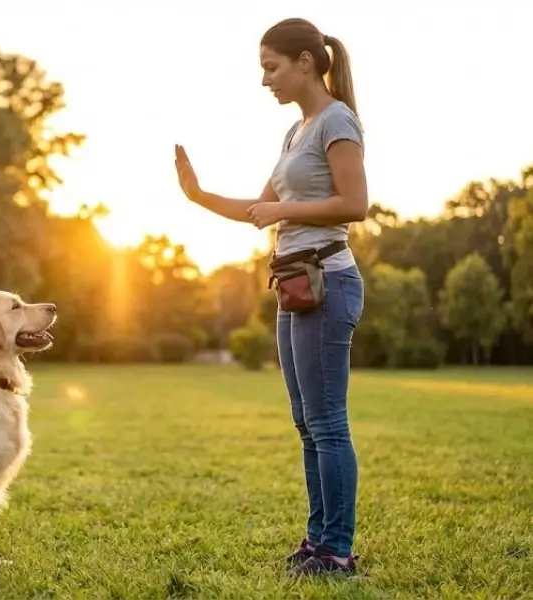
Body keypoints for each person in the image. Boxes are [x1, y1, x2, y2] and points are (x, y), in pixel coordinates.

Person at [174, 17, 368, 577]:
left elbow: (356, 204)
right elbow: (259, 209)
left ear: (305, 63)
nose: (265, 80)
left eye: (271, 67)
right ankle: (318, 540)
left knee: (328, 422)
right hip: (293, 283)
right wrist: (198, 195)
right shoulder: (295, 132)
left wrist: (284, 210)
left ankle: (337, 551)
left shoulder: (337, 120)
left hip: (327, 282)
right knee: (307, 422)